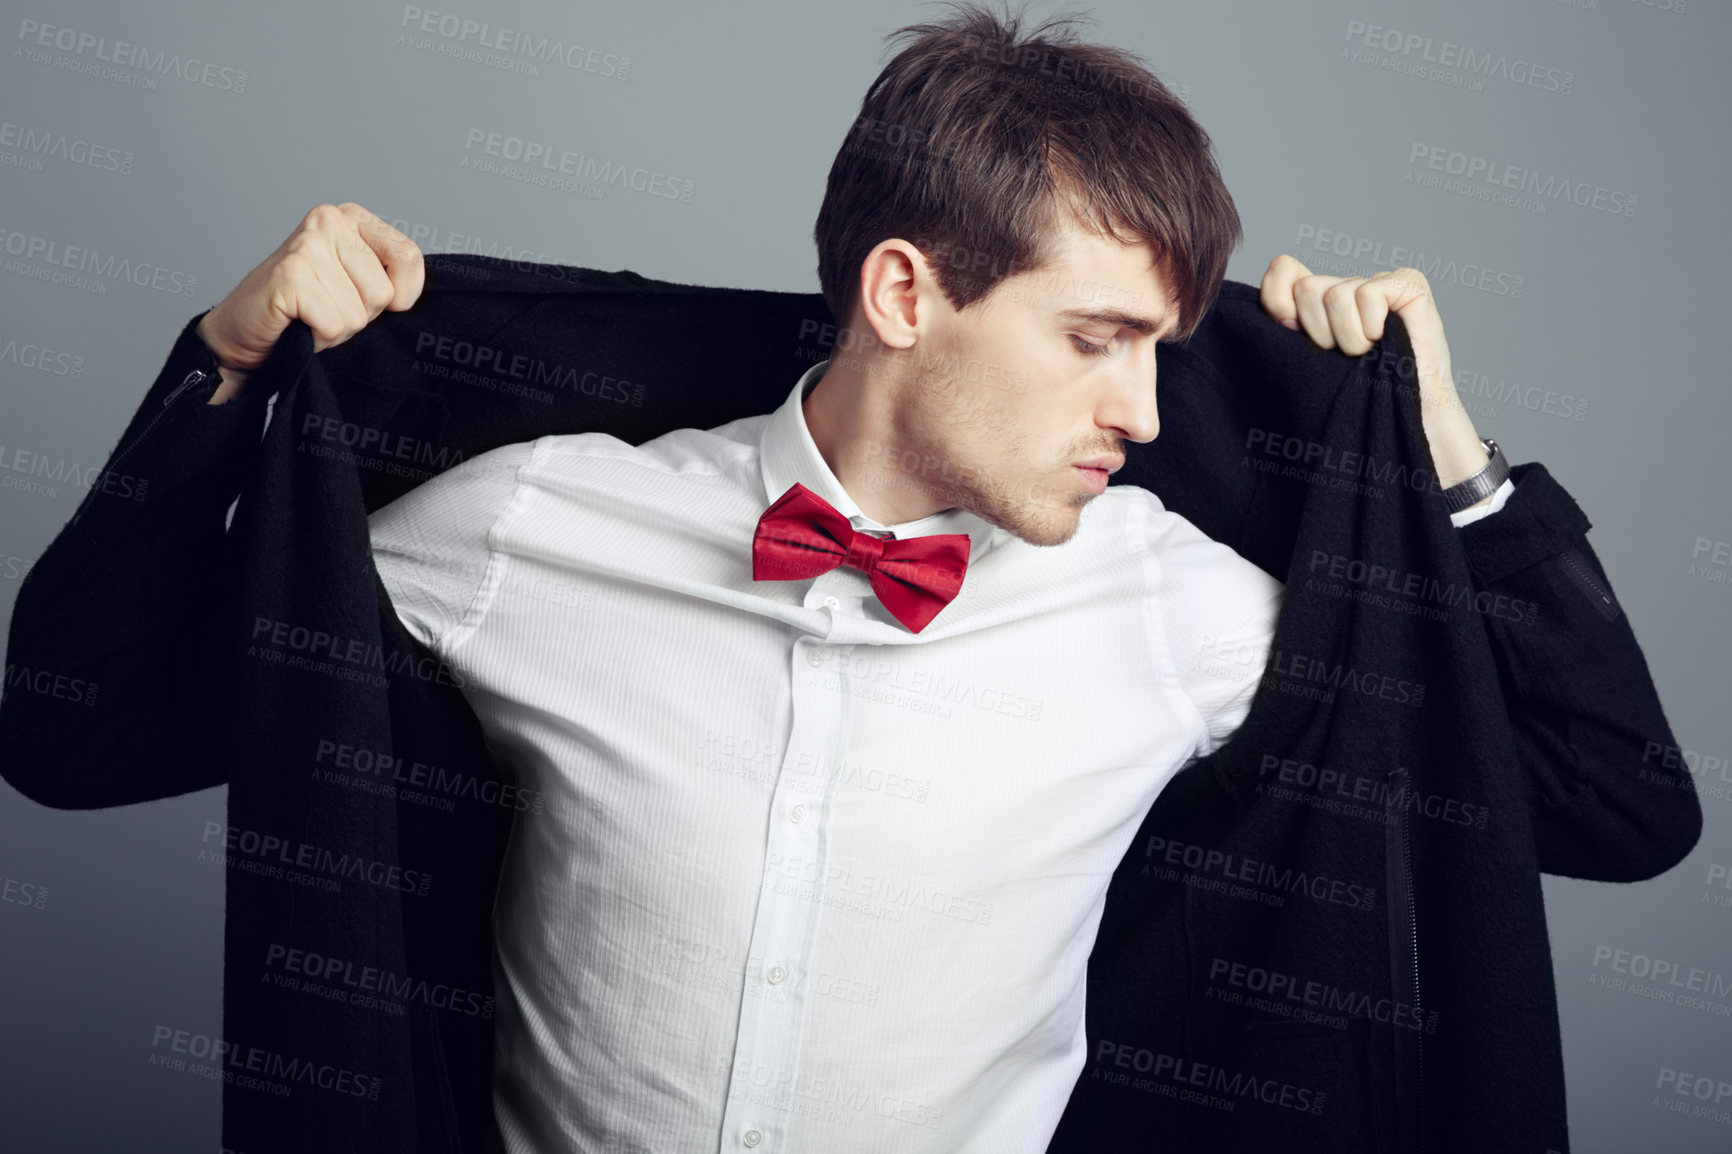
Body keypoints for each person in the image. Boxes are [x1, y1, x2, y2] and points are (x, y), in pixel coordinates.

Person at [2, 4, 1695, 1152]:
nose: (1146, 410)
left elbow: (1615, 803)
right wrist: (222, 374)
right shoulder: (523, 529)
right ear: (905, 292)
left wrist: (1450, 456)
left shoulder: (1177, 610)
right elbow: (70, 732)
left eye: (1164, 349)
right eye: (1097, 338)